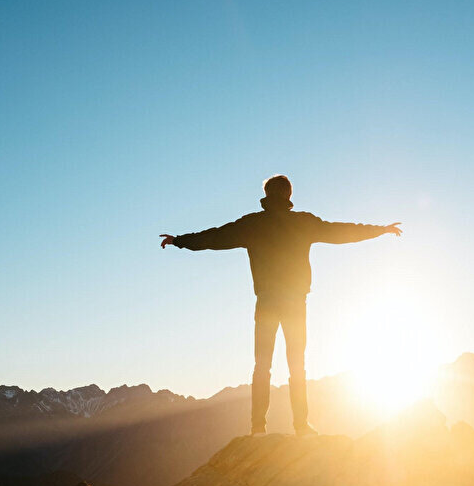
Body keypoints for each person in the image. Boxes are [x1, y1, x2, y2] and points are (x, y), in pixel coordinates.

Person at [160, 175, 401, 437]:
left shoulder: (252, 224)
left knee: (262, 365)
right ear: (288, 195)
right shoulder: (303, 223)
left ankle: (257, 428)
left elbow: (214, 237)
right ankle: (301, 426)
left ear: (266, 194)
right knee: (297, 364)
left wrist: (179, 240)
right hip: (295, 302)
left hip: (267, 302)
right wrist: (381, 229)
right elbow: (342, 231)